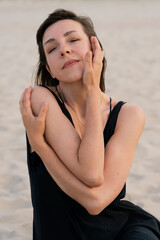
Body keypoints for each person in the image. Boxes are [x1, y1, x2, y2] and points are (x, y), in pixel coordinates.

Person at [19, 9, 160, 240]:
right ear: (49, 69)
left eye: (73, 40)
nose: (64, 49)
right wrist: (93, 91)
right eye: (52, 49)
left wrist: (40, 147)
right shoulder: (39, 98)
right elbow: (92, 174)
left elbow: (96, 200)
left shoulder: (129, 115)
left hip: (123, 230)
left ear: (96, 50)